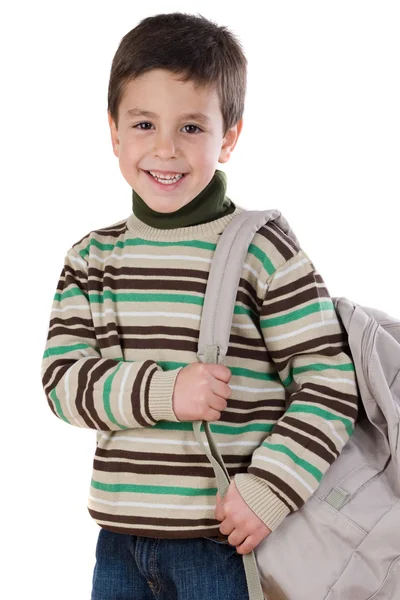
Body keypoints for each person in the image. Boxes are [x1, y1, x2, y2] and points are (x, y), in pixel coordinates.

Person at [41, 11, 359, 600]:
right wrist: (166, 392)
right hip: (117, 541)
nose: (164, 148)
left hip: (224, 546)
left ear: (229, 136)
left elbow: (329, 382)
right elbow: (63, 384)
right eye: (143, 123)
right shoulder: (89, 258)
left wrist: (268, 490)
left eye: (191, 127)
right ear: (113, 132)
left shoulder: (262, 249)